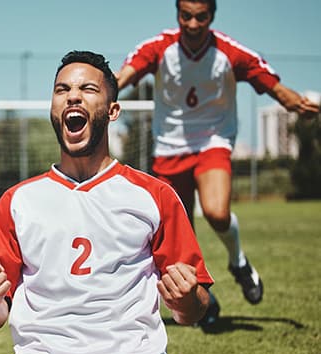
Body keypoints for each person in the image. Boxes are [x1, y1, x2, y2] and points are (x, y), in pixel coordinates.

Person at [0, 50, 213, 354]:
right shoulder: (17, 201)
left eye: (88, 89)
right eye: (62, 89)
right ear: (53, 107)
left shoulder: (156, 196)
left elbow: (195, 309)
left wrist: (186, 298)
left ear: (113, 111)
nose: (73, 96)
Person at [115, 0, 319, 327]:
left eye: (201, 17)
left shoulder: (228, 52)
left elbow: (269, 82)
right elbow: (124, 75)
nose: (193, 24)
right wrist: (104, 90)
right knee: (179, 240)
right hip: (169, 148)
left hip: (212, 141)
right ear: (177, 14)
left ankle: (238, 262)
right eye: (186, 16)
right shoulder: (159, 48)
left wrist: (294, 101)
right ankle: (207, 305)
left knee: (216, 211)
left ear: (211, 17)